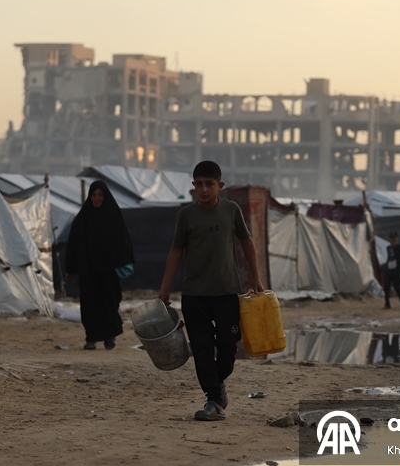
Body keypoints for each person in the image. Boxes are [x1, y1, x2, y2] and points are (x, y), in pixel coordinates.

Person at [159, 161, 263, 422]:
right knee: (202, 349)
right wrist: (165, 289)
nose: (204, 189)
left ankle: (217, 386)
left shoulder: (231, 210)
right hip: (195, 295)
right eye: (199, 184)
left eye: (209, 184)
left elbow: (247, 241)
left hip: (227, 292)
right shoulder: (186, 215)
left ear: (220, 186)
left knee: (228, 347)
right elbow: (176, 251)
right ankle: (214, 400)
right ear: (193, 186)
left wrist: (257, 277)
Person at [64, 181, 134, 350]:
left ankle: (110, 337)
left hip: (109, 271)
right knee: (90, 304)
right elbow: (73, 243)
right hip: (88, 270)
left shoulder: (114, 215)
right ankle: (91, 338)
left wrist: (122, 261)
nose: (96, 198)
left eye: (100, 195)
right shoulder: (83, 217)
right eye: (94, 195)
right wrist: (70, 269)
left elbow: (123, 241)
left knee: (109, 303)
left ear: (105, 196)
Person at [383, 232, 400, 309]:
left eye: (394, 238)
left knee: (397, 287)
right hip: (389, 269)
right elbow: (389, 257)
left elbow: (398, 255)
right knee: (386, 287)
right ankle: (387, 304)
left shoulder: (399, 247)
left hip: (396, 270)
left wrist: (394, 246)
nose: (392, 240)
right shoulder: (388, 248)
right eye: (391, 238)